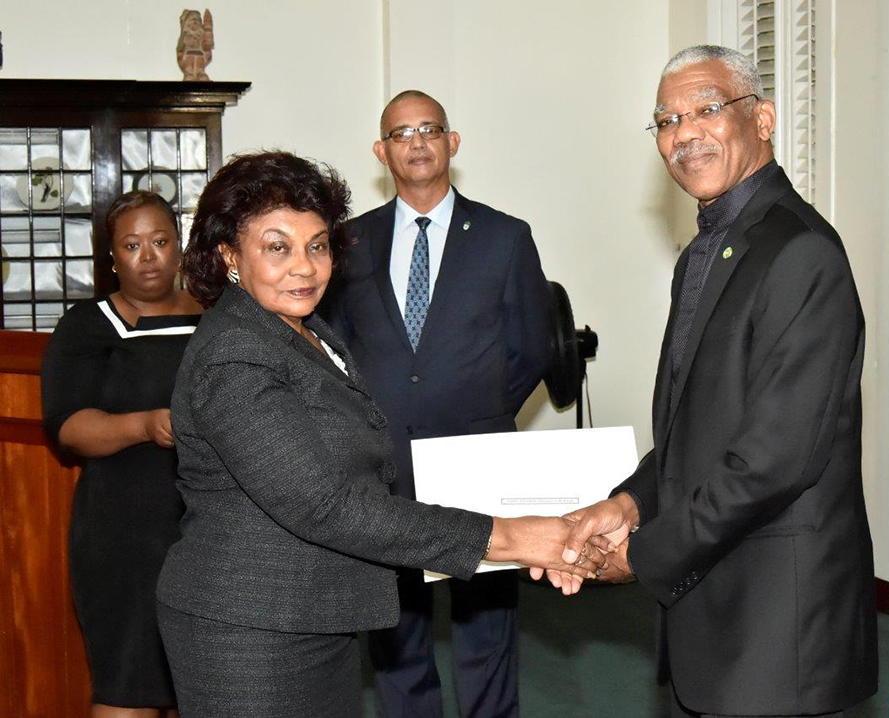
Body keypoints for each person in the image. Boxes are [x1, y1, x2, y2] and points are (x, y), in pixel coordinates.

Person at [155, 151, 597, 716]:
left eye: (317, 245)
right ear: (229, 256)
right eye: (277, 246)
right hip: (250, 630)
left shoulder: (306, 330)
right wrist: (512, 537)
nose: (304, 267)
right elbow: (325, 505)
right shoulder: (235, 354)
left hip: (312, 616)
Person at [552, 46, 878, 717]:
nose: (684, 134)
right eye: (666, 120)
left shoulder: (801, 252)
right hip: (714, 610)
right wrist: (629, 504)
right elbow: (696, 430)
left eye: (705, 109)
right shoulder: (710, 250)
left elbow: (774, 460)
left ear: (762, 119)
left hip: (776, 627)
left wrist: (643, 554)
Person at [320, 90, 551, 718]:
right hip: (382, 463)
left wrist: (471, 410)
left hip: (478, 461)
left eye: (430, 129)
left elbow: (531, 348)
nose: (417, 142)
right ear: (381, 151)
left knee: (486, 627)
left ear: (453, 142)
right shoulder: (348, 243)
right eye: (401, 133)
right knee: (396, 629)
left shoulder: (505, 237)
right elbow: (336, 347)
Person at [41, 190, 202, 717]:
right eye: (132, 245)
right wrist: (146, 425)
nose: (148, 256)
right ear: (112, 257)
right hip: (122, 535)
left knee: (204, 689)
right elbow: (68, 428)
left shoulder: (219, 320)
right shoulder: (88, 324)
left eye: (160, 241)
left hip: (209, 532)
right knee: (126, 687)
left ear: (180, 247)